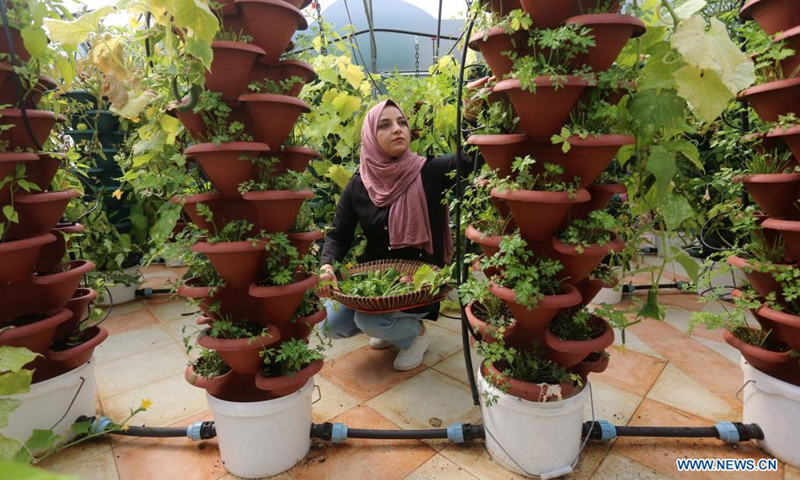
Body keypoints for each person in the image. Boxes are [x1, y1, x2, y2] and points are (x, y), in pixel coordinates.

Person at [317, 99, 474, 371]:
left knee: (369, 321)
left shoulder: (429, 172)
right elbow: (338, 235)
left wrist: (470, 120)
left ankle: (416, 335)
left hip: (419, 280)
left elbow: (468, 163)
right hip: (376, 280)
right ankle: (391, 326)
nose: (398, 129)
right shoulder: (359, 184)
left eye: (402, 122)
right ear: (370, 136)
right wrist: (327, 265)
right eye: (385, 125)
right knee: (332, 325)